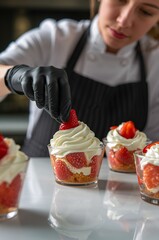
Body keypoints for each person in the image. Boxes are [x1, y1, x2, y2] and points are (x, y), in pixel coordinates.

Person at [1, 0, 159, 157]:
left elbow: (153, 149)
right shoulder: (54, 39)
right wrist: (14, 76)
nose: (124, 21)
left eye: (146, 12)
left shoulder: (155, 63)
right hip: (35, 179)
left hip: (120, 182)